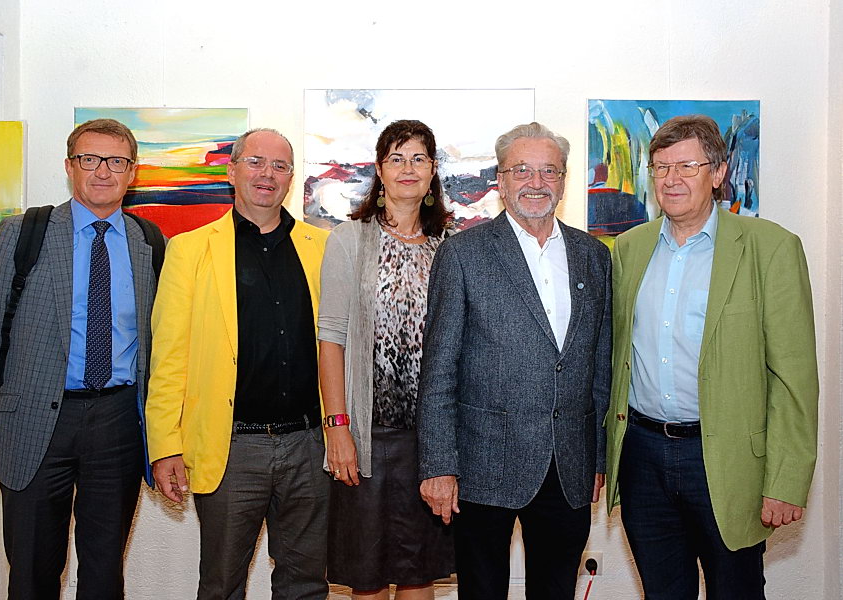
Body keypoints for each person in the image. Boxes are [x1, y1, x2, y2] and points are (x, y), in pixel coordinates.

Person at [605, 114, 819, 599]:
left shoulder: (770, 248)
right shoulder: (630, 249)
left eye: (687, 166)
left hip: (726, 460)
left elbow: (794, 377)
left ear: (718, 172)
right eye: (661, 167)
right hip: (643, 458)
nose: (671, 179)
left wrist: (786, 479)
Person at [0, 118, 160, 599]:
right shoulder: (23, 233)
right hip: (36, 422)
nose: (103, 172)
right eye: (90, 159)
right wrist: (12, 404)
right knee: (31, 569)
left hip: (118, 423)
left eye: (116, 161)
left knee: (104, 571)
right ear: (70, 166)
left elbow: (159, 340)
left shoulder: (149, 243)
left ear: (132, 172)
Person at [417, 122, 612, 600]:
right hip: (482, 463)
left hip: (568, 465)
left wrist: (598, 457)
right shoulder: (463, 254)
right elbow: (438, 370)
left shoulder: (593, 256)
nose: (536, 182)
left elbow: (599, 364)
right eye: (521, 170)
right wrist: (438, 465)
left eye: (549, 170)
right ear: (500, 181)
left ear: (563, 180)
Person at [145, 128, 330, 599]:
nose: (267, 174)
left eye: (280, 166)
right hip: (230, 448)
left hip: (310, 447)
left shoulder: (323, 248)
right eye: (255, 162)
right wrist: (165, 445)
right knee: (221, 586)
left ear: (291, 177)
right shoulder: (189, 250)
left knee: (307, 585)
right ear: (231, 171)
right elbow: (168, 357)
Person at [319, 119, 457, 599]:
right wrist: (338, 428)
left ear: (432, 170)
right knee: (368, 577)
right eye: (396, 158)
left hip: (430, 441)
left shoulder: (451, 247)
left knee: (420, 573)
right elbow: (331, 339)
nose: (407, 168)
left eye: (418, 158)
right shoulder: (348, 240)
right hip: (366, 437)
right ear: (379, 170)